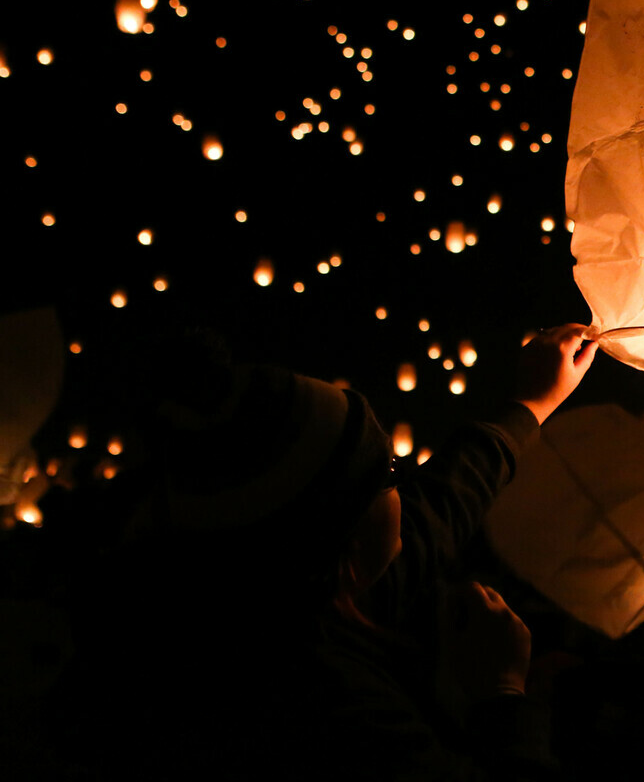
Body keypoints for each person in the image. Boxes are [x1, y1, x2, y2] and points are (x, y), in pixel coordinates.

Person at [61, 324, 596, 781]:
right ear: (342, 526)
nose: (403, 488)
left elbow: (442, 504)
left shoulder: (294, 599)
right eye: (388, 474)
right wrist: (504, 698)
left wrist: (531, 405)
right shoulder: (325, 706)